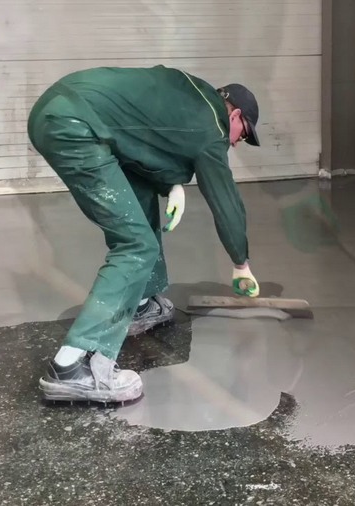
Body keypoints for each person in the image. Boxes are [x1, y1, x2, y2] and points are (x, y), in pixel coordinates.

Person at [27, 65, 262, 403]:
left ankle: (140, 304)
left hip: (57, 109)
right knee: (136, 245)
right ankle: (74, 365)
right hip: (74, 126)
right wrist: (241, 264)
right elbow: (226, 202)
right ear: (235, 115)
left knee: (140, 196)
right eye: (244, 134)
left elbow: (143, 139)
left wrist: (170, 184)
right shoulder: (213, 127)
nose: (237, 143)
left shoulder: (193, 94)